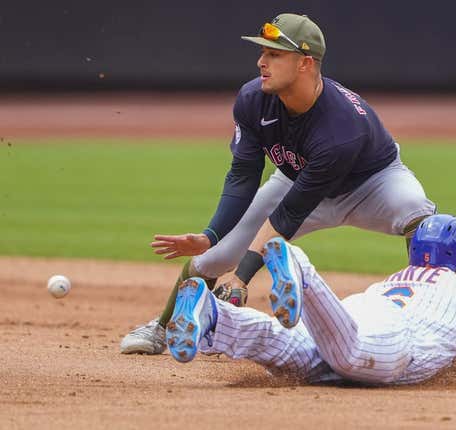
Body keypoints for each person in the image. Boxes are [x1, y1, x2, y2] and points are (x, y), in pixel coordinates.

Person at [120, 13, 436, 355]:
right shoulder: (253, 100)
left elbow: (290, 213)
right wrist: (211, 235)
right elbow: (243, 174)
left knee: (418, 212)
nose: (261, 62)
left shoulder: (341, 129)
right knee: (213, 258)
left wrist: (242, 279)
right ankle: (163, 326)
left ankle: (435, 320)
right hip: (293, 178)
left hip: (371, 184)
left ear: (305, 63)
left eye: (274, 54)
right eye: (262, 52)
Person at [163, 214, 456, 385]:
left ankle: (213, 314)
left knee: (287, 349)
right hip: (389, 343)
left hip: (357, 313)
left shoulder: (394, 279)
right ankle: (295, 263)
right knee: (347, 356)